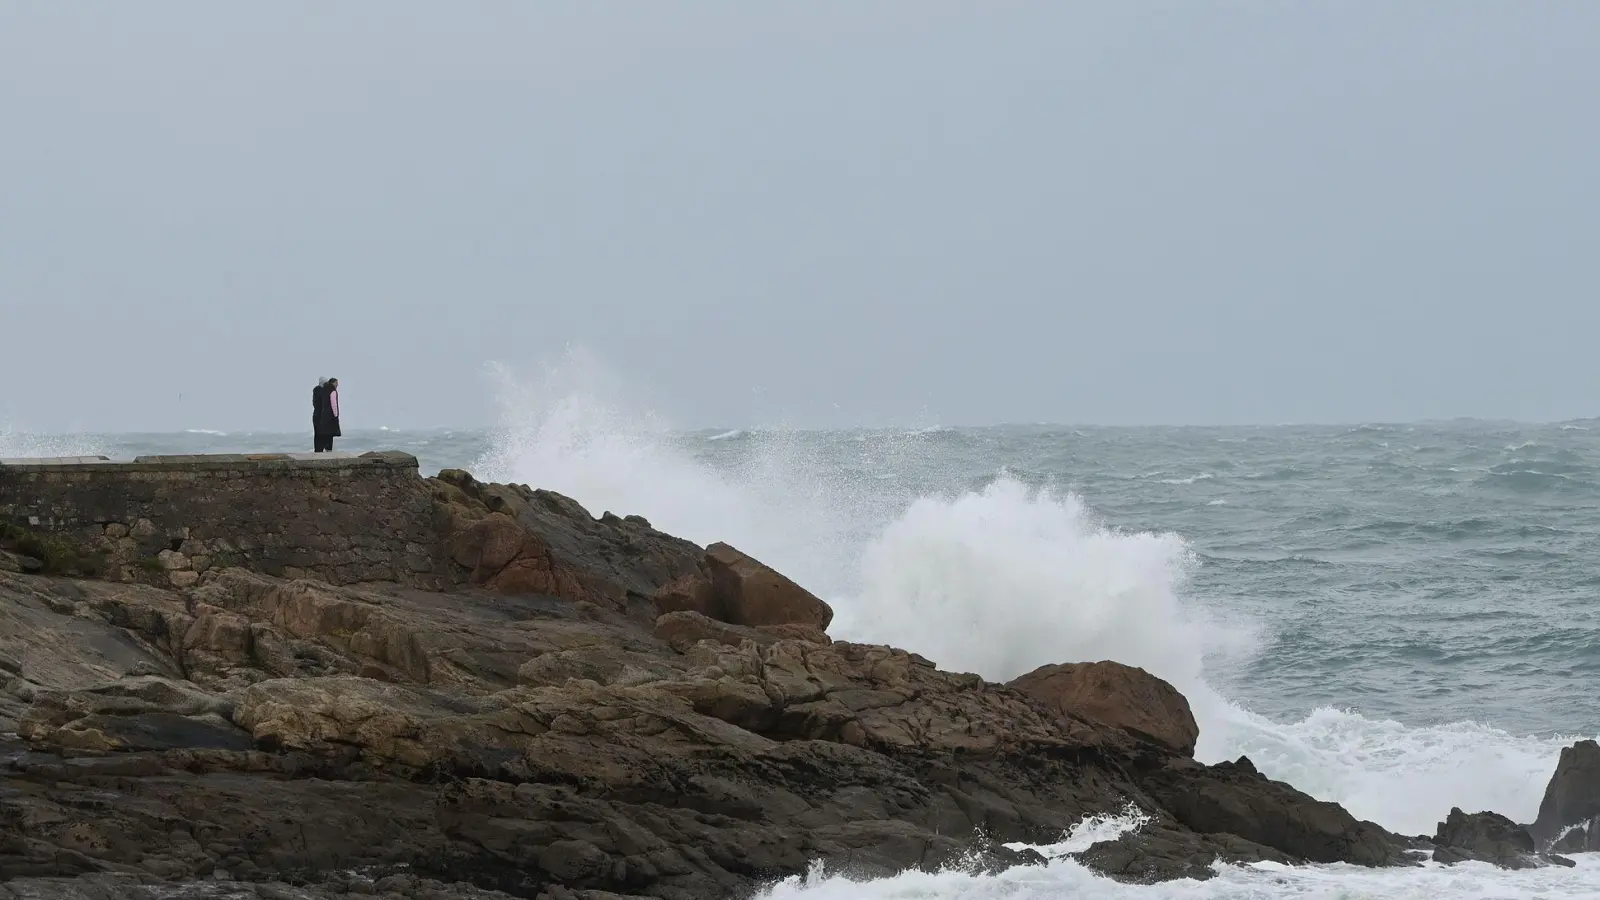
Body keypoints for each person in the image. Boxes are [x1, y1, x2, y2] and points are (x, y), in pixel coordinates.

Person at [312, 376, 341, 452]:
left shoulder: (316, 390)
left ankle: (318, 450)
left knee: (318, 434)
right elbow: (331, 404)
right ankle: (327, 449)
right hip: (323, 415)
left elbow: (315, 403)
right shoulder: (326, 390)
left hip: (317, 415)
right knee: (327, 433)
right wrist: (335, 415)